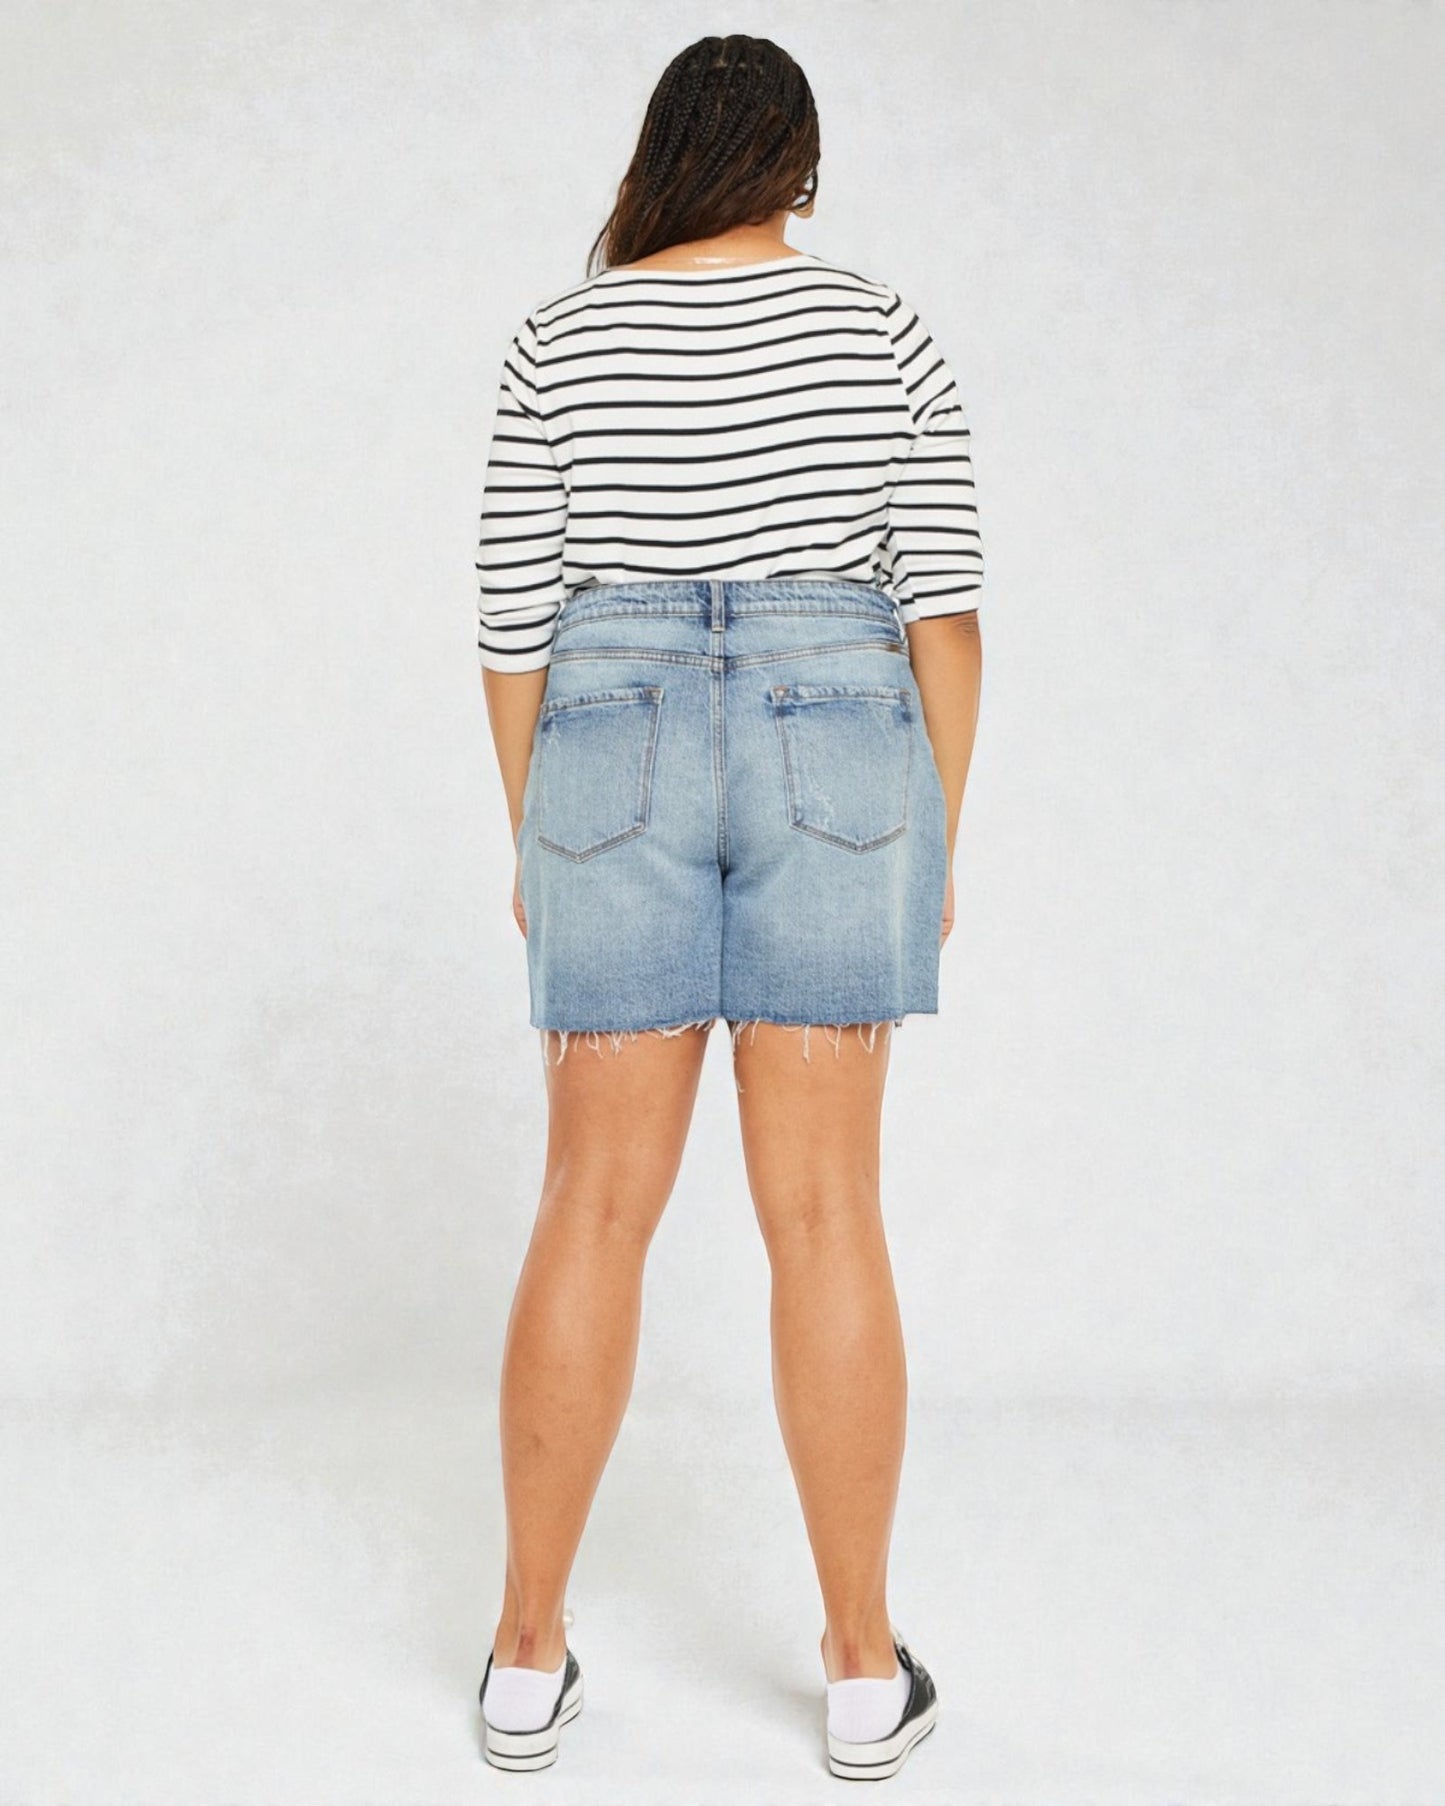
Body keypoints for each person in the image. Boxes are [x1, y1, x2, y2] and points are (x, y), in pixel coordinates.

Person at [473, 33, 983, 1781]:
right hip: (837, 738)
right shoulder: (879, 327)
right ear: (796, 167)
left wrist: (536, 842)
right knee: (826, 1210)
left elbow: (508, 626)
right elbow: (947, 611)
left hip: (600, 733)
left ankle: (525, 1655)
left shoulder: (559, 335)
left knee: (590, 1200)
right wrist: (930, 836)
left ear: (663, 156)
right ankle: (856, 1668)